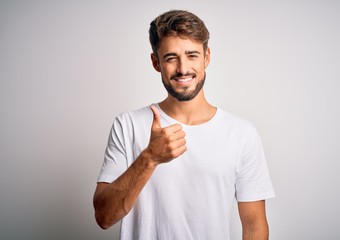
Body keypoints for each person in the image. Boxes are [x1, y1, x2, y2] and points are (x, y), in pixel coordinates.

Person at [93, 9, 275, 240]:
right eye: (171, 58)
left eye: (192, 55)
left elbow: (254, 225)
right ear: (155, 62)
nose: (182, 68)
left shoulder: (241, 133)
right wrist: (149, 158)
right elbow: (104, 217)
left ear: (206, 57)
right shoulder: (127, 125)